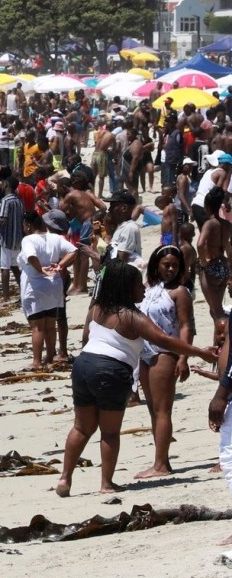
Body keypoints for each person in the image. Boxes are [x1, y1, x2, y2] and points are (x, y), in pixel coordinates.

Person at [56, 261, 215, 497]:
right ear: (126, 288)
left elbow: (86, 338)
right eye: (137, 284)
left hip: (83, 365)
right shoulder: (132, 316)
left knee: (81, 427)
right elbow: (165, 340)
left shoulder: (97, 309)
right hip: (111, 370)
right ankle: (106, 484)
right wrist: (200, 352)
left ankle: (65, 478)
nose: (143, 288)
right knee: (109, 432)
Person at [136, 245, 195, 479]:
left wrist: (183, 357)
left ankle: (161, 464)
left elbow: (186, 326)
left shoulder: (180, 292)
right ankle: (161, 459)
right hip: (144, 352)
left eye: (175, 265)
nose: (170, 269)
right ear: (156, 265)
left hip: (165, 352)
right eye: (166, 265)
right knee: (152, 409)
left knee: (162, 410)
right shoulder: (150, 288)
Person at [18, 211, 77, 371]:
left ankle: (37, 361)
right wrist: (60, 265)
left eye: (24, 225)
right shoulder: (55, 238)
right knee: (50, 325)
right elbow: (73, 251)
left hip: (35, 286)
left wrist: (40, 270)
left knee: (37, 327)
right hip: (54, 285)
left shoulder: (28, 239)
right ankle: (49, 358)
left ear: (29, 225)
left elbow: (31, 256)